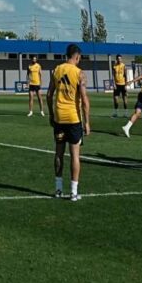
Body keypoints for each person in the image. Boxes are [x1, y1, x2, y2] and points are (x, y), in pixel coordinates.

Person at [47, 44, 91, 201]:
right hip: (73, 119)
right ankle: (73, 192)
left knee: (58, 153)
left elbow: (48, 95)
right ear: (77, 56)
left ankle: (58, 190)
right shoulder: (80, 73)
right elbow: (84, 100)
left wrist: (51, 114)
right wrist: (87, 122)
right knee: (75, 156)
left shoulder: (56, 70)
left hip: (59, 118)